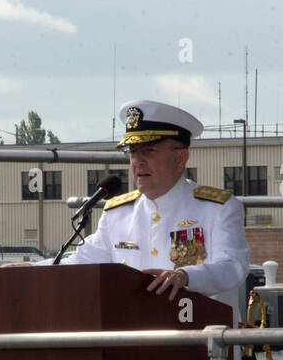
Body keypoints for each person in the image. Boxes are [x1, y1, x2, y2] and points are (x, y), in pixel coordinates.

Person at [70, 99, 250, 326]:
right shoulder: (117, 214)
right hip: (136, 345)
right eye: (133, 152)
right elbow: (79, 262)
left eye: (149, 150)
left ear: (181, 158)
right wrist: (27, 270)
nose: (138, 161)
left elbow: (233, 267)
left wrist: (185, 276)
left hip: (202, 347)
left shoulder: (217, 208)